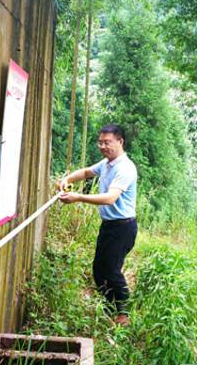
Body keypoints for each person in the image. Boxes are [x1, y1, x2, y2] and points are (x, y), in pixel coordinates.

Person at [58, 124, 138, 326]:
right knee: (99, 270)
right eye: (100, 142)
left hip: (123, 227)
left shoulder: (125, 168)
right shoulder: (107, 163)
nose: (102, 146)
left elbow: (111, 198)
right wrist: (67, 178)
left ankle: (124, 314)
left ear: (120, 142)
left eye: (107, 142)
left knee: (111, 270)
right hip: (109, 225)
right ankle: (110, 308)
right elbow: (86, 172)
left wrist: (77, 197)